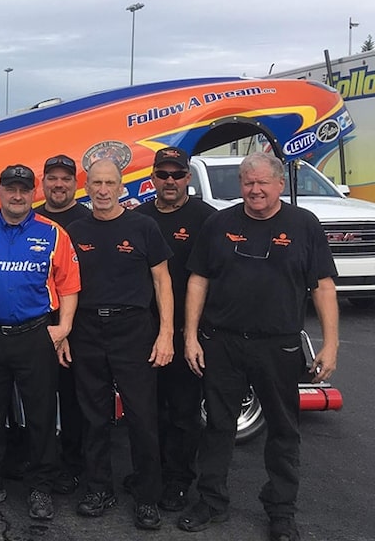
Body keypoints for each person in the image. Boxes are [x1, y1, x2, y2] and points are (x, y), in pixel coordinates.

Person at [179, 152, 339, 541]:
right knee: (218, 427)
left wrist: (331, 344)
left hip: (279, 347)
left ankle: (281, 512)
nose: (255, 190)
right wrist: (190, 336)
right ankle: (212, 501)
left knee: (284, 431)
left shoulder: (304, 225)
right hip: (222, 343)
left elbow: (322, 287)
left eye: (262, 182)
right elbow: (198, 281)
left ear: (279, 185)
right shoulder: (220, 224)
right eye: (248, 182)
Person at [0, 164, 80, 520]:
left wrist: (64, 328)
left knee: (41, 416)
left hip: (35, 335)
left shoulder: (53, 233)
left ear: (33, 193)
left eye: (24, 189)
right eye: (10, 188)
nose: (17, 195)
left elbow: (69, 285)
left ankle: (41, 487)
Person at [61, 158, 175, 530]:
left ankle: (147, 497)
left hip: (134, 330)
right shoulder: (75, 230)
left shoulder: (143, 226)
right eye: (97, 183)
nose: (103, 190)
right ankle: (99, 489)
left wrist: (166, 333)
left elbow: (162, 282)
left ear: (121, 185)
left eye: (110, 182)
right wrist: (63, 332)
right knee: (93, 417)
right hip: (87, 329)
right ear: (87, 187)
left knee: (142, 417)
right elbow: (63, 285)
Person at [134, 147, 215, 512]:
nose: (169, 181)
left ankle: (179, 480)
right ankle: (151, 473)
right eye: (162, 174)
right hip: (141, 332)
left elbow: (216, 276)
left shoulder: (207, 219)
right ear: (152, 178)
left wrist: (193, 332)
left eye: (176, 174)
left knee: (183, 411)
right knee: (149, 410)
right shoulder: (138, 216)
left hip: (187, 331)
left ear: (188, 178)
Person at [32, 154, 90, 495]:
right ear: (43, 183)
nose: (58, 184)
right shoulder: (31, 219)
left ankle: (73, 464)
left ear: (75, 183)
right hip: (36, 324)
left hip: (75, 325)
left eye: (65, 179)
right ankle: (39, 460)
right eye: (52, 178)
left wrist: (68, 328)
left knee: (72, 400)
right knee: (36, 398)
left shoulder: (86, 219)